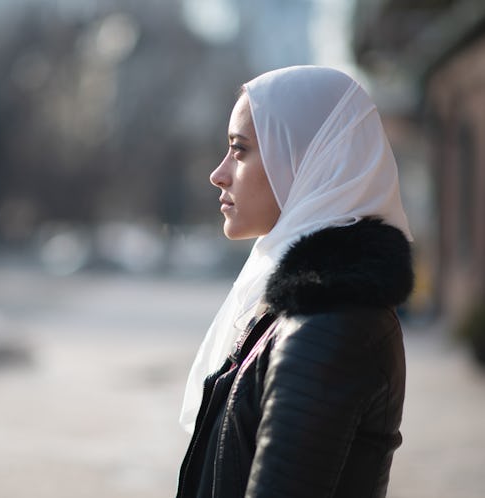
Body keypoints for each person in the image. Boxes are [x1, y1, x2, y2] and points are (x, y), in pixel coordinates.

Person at [176, 66, 414, 498]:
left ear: (305, 160)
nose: (219, 173)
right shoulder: (296, 304)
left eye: (239, 150)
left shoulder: (330, 324)